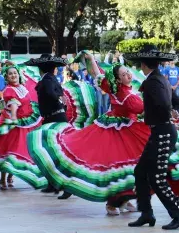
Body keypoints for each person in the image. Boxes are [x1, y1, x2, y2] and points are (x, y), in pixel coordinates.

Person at [26, 51, 150, 212]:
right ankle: (114, 201)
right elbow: (143, 108)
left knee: (128, 166)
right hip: (118, 133)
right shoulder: (126, 95)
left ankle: (122, 199)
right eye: (124, 74)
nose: (128, 75)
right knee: (120, 165)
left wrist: (91, 59)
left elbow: (97, 74)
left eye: (128, 72)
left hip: (127, 130)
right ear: (118, 79)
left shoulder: (115, 87)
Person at [124, 45, 179, 230]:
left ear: (143, 64)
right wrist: (174, 111)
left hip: (163, 131)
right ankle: (146, 213)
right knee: (140, 172)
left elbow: (163, 103)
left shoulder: (154, 81)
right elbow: (176, 101)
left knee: (156, 176)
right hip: (161, 131)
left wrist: (168, 112)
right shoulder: (161, 78)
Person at [25, 54, 70, 199]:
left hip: (54, 118)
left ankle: (65, 185)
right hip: (54, 117)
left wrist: (58, 101)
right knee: (50, 152)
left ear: (40, 68)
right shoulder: (51, 79)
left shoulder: (48, 80)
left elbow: (52, 94)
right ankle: (53, 183)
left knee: (54, 153)